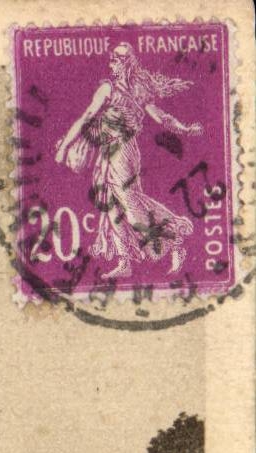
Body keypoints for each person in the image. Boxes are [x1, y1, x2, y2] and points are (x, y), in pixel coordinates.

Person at [54, 42, 202, 278]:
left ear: (128, 63)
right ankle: (125, 262)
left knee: (131, 206)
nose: (113, 61)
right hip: (107, 152)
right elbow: (86, 118)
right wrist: (64, 146)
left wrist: (184, 128)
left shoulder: (139, 89)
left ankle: (174, 241)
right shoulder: (107, 88)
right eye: (112, 58)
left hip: (123, 150)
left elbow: (161, 117)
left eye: (119, 58)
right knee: (112, 207)